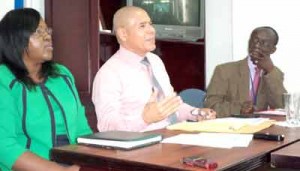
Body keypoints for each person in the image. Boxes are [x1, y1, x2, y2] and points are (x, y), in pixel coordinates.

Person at [92, 6, 216, 132]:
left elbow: (170, 106)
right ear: (123, 34)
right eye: (142, 26)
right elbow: (106, 126)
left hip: (171, 136)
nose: (151, 30)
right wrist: (144, 118)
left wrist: (195, 113)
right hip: (140, 145)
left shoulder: (155, 61)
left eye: (150, 24)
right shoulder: (109, 74)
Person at [0, 8, 92, 171]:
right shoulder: (4, 79)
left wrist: (86, 165)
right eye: (37, 32)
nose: (47, 36)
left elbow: (83, 131)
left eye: (46, 30)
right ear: (15, 39)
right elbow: (5, 147)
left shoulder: (62, 74)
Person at [204, 26, 287, 117]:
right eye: (255, 40)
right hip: (230, 127)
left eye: (264, 43)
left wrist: (270, 70)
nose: (257, 45)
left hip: (260, 128)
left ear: (273, 50)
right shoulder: (224, 70)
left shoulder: (274, 74)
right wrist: (239, 109)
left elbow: (282, 107)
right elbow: (210, 106)